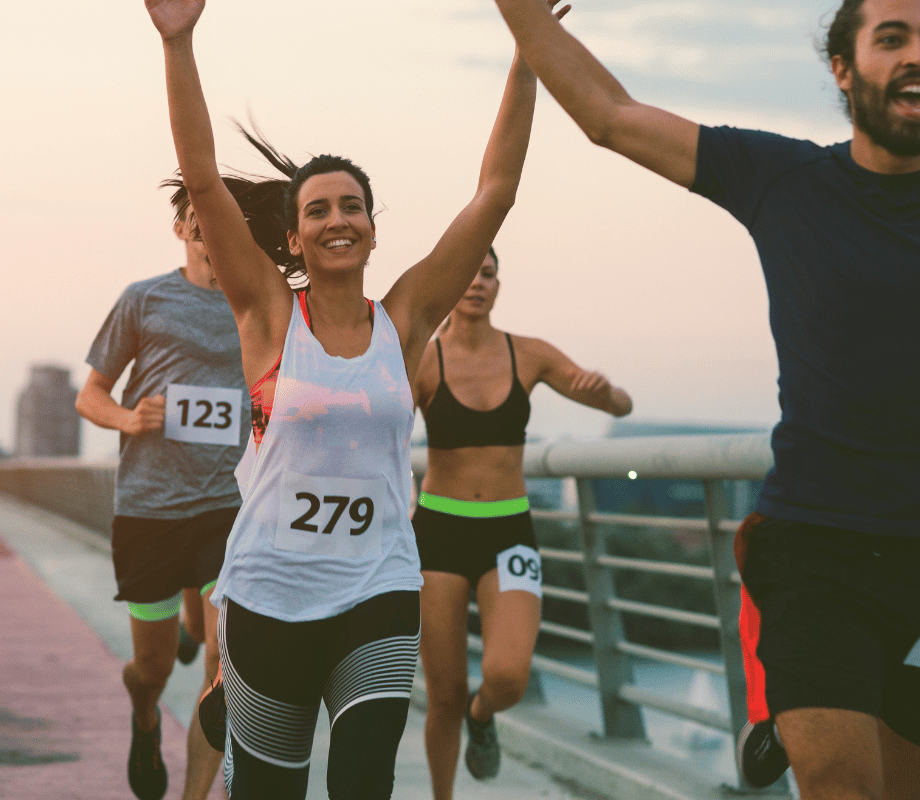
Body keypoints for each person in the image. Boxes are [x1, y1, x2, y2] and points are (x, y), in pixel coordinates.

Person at [490, 0, 920, 798]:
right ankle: (783, 701)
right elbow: (610, 117)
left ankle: (776, 711)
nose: (919, 56)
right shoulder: (784, 180)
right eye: (891, 38)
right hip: (819, 552)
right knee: (842, 789)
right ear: (842, 68)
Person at [145, 0, 570, 796]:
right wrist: (179, 41)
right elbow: (202, 177)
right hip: (270, 590)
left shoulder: (403, 322)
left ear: (373, 228)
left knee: (366, 782)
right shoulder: (269, 315)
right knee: (272, 789)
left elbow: (496, 193)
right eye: (318, 211)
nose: (338, 219)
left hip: (376, 587)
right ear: (295, 237)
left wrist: (526, 51)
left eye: (352, 206)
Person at [412, 246, 632, 797]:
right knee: (443, 695)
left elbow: (621, 408)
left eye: (488, 273)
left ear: (498, 284)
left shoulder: (527, 354)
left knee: (508, 676)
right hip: (438, 530)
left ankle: (483, 717)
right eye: (468, 272)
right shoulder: (424, 360)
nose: (478, 282)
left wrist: (605, 394)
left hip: (509, 531)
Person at [75, 185, 246, 800]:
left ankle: (195, 793)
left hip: (227, 509)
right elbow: (88, 394)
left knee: (225, 669)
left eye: (216, 216)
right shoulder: (144, 299)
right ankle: (144, 715)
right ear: (180, 229)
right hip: (148, 510)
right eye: (192, 216)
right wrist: (127, 419)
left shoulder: (257, 303)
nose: (204, 225)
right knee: (150, 669)